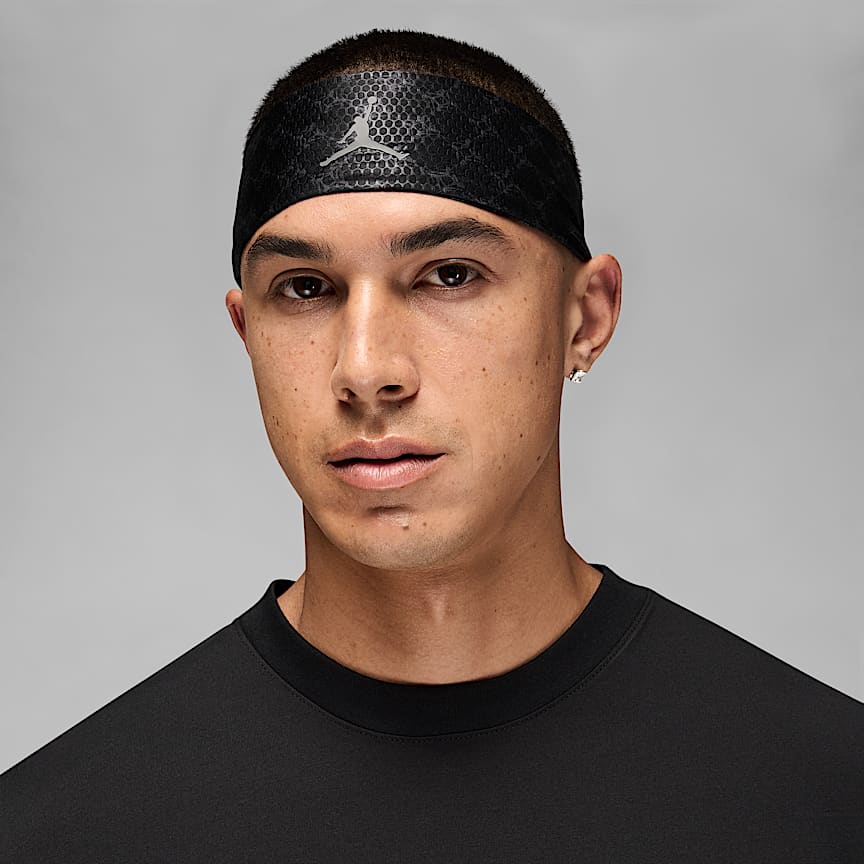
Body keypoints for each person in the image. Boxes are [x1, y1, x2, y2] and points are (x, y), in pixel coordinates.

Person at [2, 28, 861, 863]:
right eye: (304, 288)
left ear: (586, 317)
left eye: (450, 275)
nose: (366, 370)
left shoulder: (828, 795)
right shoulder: (56, 831)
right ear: (247, 332)